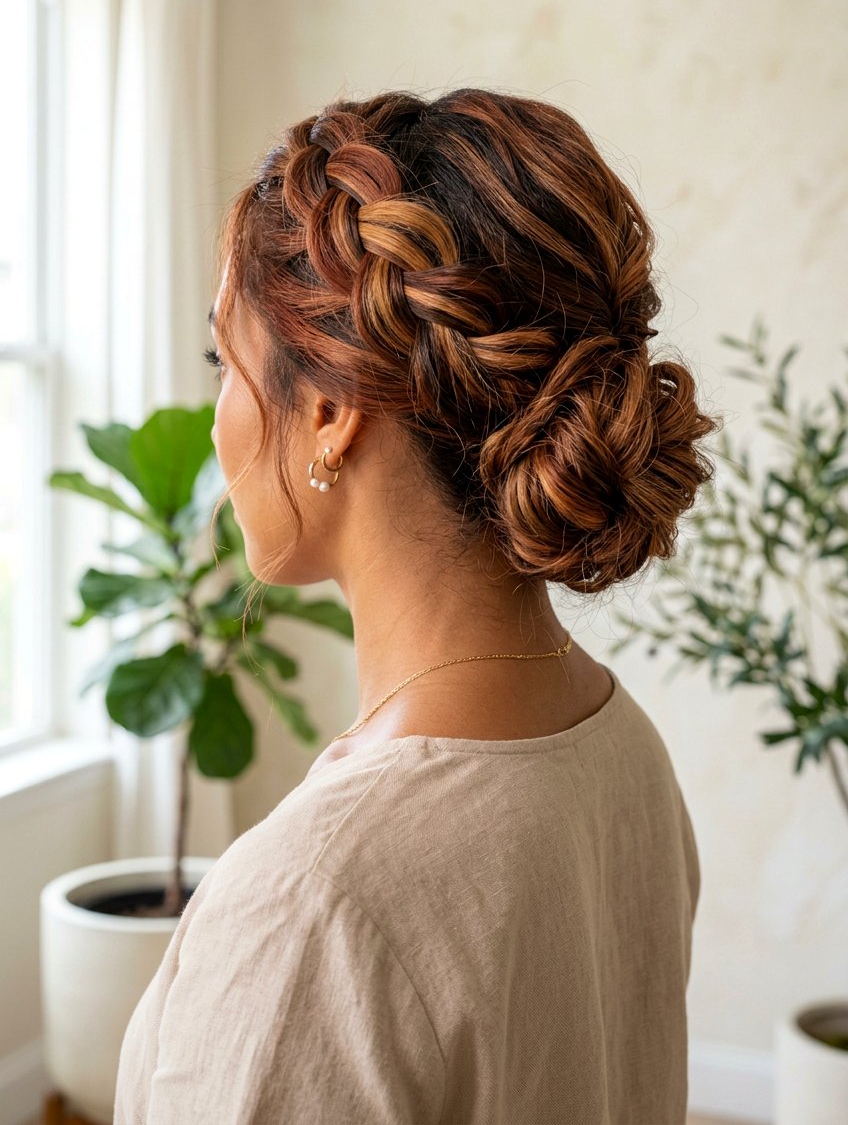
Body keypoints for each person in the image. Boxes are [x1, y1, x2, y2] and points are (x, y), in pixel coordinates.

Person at [114, 87, 719, 1124]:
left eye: (225, 362)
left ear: (329, 412)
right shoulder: (620, 747)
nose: (216, 418)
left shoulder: (314, 903)